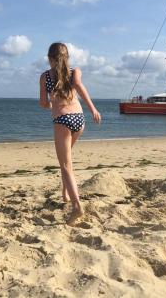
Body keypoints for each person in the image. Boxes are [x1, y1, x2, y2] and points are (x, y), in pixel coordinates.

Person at [39, 42, 101, 226]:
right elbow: (80, 88)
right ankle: (66, 193)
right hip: (79, 120)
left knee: (65, 165)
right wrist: (94, 110)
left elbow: (43, 102)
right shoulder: (76, 72)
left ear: (50, 58)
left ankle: (76, 206)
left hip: (62, 121)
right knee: (67, 161)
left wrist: (51, 105)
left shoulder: (45, 76)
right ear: (67, 57)